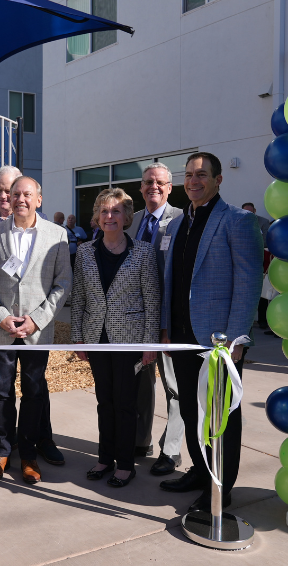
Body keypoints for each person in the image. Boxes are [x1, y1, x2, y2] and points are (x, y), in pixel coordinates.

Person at [160, 152, 263, 512]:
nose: (193, 181)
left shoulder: (237, 222)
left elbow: (249, 284)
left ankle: (221, 486)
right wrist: (165, 330)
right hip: (183, 338)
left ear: (219, 179)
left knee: (220, 418)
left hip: (220, 344)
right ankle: (201, 472)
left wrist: (236, 339)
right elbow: (171, 283)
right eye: (188, 175)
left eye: (202, 174)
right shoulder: (175, 225)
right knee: (190, 410)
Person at [0, 176, 71, 484]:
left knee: (33, 393)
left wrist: (38, 319)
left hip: (36, 332)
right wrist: (1, 317)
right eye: (15, 193)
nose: (20, 199)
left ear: (39, 199)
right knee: (2, 393)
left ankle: (29, 454)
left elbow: (62, 285)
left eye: (27, 194)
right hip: (2, 331)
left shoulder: (57, 235)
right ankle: (2, 451)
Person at [72, 188, 159, 488]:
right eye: (105, 211)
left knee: (125, 403)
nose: (110, 216)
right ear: (97, 217)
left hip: (130, 341)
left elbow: (152, 300)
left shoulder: (144, 252)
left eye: (116, 211)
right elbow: (79, 298)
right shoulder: (84, 252)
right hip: (97, 338)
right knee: (104, 401)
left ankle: (125, 464)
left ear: (127, 217)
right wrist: (78, 338)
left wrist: (149, 345)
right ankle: (104, 458)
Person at [126, 162, 184, 475]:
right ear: (141, 186)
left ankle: (171, 450)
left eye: (160, 182)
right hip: (136, 320)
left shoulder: (182, 220)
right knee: (140, 383)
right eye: (149, 182)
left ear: (170, 187)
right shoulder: (132, 221)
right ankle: (140, 439)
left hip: (169, 321)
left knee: (174, 387)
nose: (154, 187)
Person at [241, 202, 272, 330]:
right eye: (245, 212)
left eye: (250, 211)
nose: (248, 214)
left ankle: (263, 321)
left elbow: (265, 240)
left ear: (254, 210)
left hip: (261, 262)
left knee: (263, 293)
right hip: (242, 262)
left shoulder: (263, 222)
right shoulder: (237, 221)